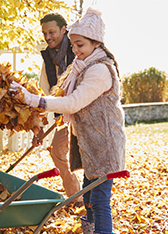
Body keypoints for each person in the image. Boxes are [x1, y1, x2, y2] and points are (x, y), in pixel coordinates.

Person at [10, 7, 126, 234]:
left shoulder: (100, 70)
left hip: (104, 144)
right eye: (73, 45)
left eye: (80, 45)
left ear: (97, 44)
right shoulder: (82, 67)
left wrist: (32, 99)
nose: (75, 50)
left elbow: (73, 103)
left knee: (100, 202)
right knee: (89, 197)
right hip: (89, 143)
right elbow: (55, 94)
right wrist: (35, 116)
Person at [34, 12, 82, 206]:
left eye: (52, 31)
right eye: (44, 33)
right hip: (64, 117)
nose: (47, 37)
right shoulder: (47, 59)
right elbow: (44, 94)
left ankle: (95, 201)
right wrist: (38, 127)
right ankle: (76, 197)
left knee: (89, 156)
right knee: (57, 152)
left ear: (64, 29)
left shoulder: (79, 49)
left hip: (84, 113)